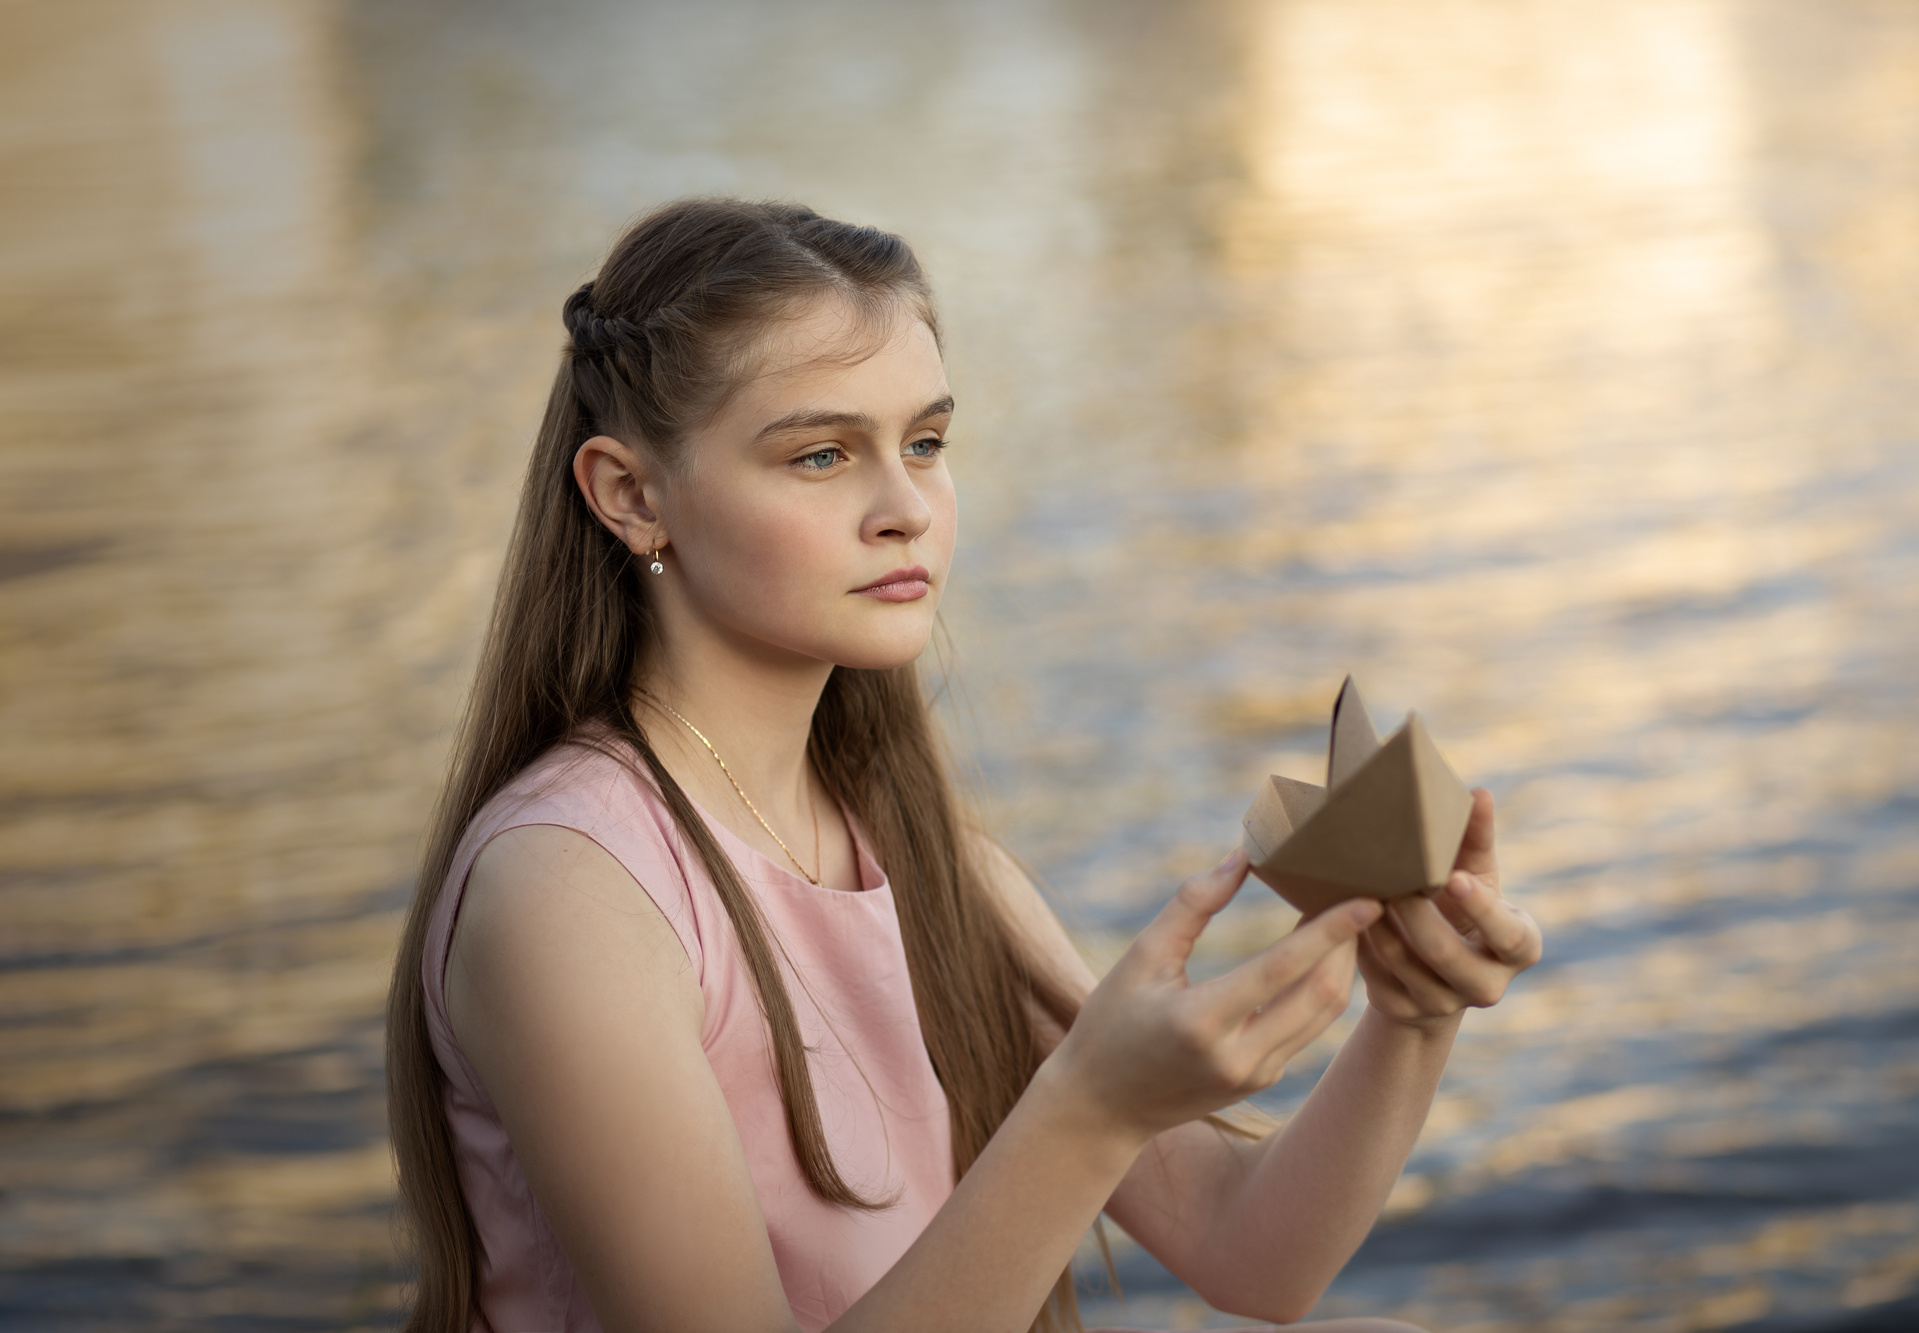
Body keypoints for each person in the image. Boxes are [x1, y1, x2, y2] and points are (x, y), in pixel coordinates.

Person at [384, 198, 1542, 1333]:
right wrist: (1088, 1108)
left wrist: (1408, 1008)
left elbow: (1252, 1251)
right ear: (631, 496)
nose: (904, 508)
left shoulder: (934, 863)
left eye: (926, 444)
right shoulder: (570, 892)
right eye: (822, 454)